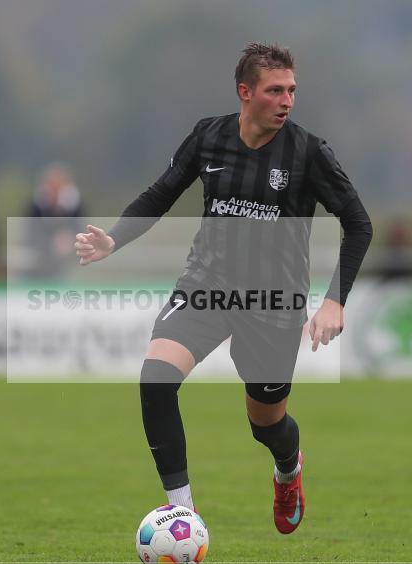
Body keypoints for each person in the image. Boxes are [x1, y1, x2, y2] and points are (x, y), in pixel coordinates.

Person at [74, 43, 373, 534]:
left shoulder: (309, 153)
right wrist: (114, 238)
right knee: (156, 381)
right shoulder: (209, 136)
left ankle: (289, 468)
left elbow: (359, 224)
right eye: (274, 90)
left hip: (273, 304)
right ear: (245, 92)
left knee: (266, 426)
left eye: (291, 90)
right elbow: (161, 194)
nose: (286, 100)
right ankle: (183, 513)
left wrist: (334, 301)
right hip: (206, 285)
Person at [22, 164, 84, 280]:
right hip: (38, 259)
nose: (55, 190)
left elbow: (79, 230)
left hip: (64, 262)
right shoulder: (36, 205)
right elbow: (30, 232)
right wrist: (48, 245)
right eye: (52, 186)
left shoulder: (74, 205)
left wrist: (70, 240)